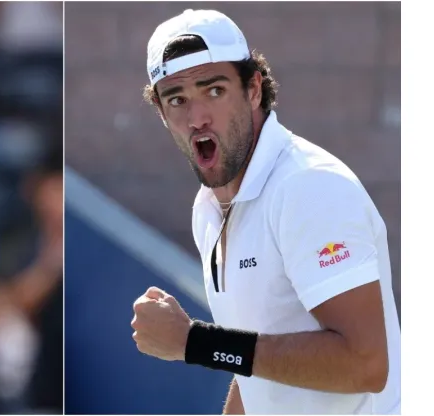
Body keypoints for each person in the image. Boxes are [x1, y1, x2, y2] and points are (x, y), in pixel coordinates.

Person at [129, 9, 400, 415]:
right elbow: (259, 358)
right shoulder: (209, 210)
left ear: (254, 88)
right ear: (163, 115)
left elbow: (365, 364)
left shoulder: (309, 187)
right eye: (178, 100)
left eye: (215, 90)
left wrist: (195, 342)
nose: (197, 117)